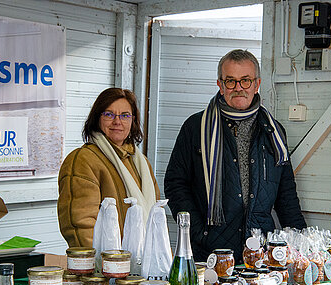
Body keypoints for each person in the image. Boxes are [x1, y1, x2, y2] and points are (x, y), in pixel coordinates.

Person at [164, 49, 306, 264]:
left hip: (261, 251)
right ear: (220, 85)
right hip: (210, 251)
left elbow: (285, 193)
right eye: (231, 81)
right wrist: (197, 232)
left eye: (245, 81)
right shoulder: (196, 128)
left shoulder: (273, 132)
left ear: (257, 84)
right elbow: (175, 184)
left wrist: (302, 241)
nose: (238, 88)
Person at [58, 88, 160, 247]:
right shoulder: (83, 160)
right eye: (109, 114)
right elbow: (79, 224)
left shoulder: (141, 163)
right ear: (97, 118)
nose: (117, 121)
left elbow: (156, 216)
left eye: (125, 115)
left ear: (133, 120)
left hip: (141, 264)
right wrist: (105, 265)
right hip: (106, 267)